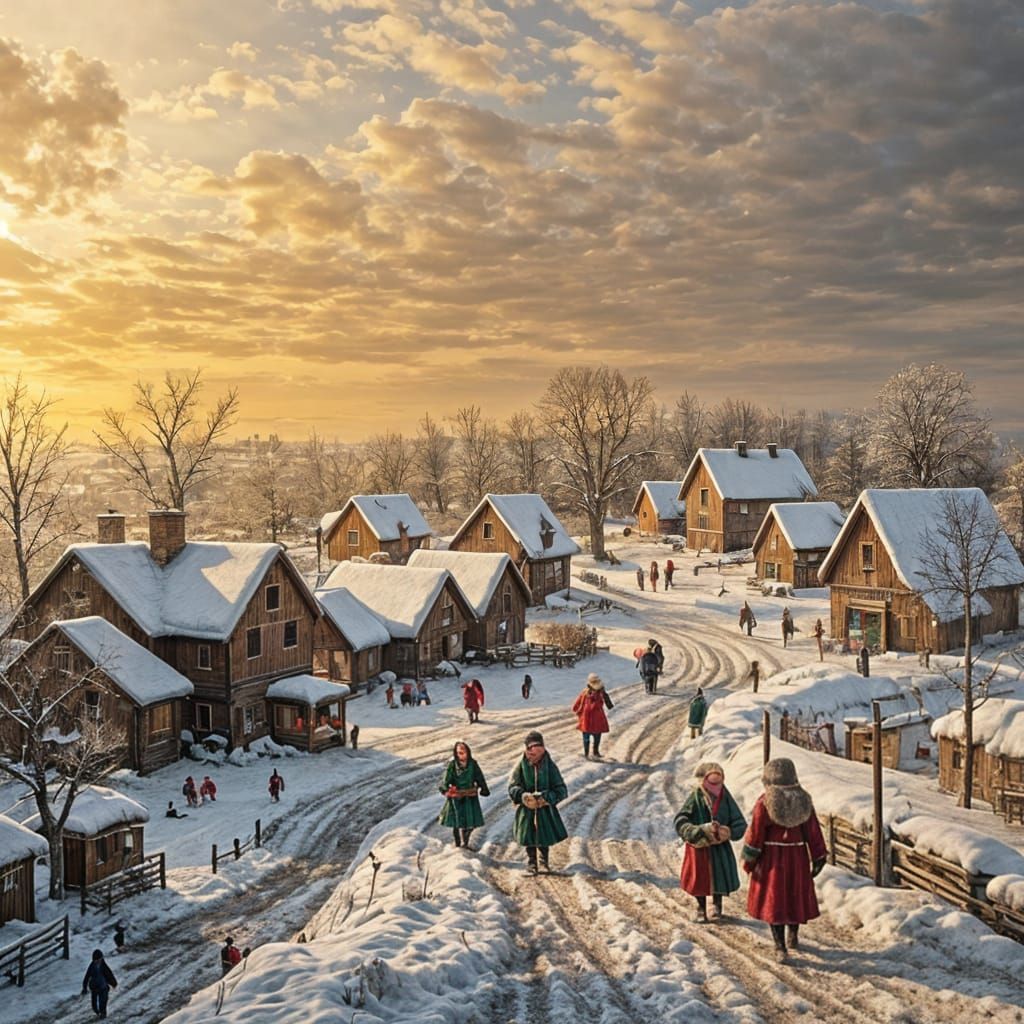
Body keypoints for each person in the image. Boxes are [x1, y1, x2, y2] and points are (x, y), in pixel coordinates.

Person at [742, 758, 827, 962]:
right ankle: (793, 936)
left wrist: (749, 860)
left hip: (772, 860)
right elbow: (813, 830)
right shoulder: (804, 800)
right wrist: (818, 855)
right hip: (797, 857)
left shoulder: (765, 802)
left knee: (776, 901)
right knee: (794, 896)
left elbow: (756, 833)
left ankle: (780, 946)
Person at [674, 762, 747, 923]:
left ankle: (717, 904)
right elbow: (681, 818)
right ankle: (701, 907)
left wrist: (728, 832)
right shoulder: (696, 797)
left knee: (719, 875)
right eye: (711, 782)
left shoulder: (726, 797)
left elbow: (739, 822)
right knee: (699, 877)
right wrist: (694, 830)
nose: (715, 786)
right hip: (700, 846)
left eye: (718, 781)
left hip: (719, 846)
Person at [508, 731, 568, 874]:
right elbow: (512, 787)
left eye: (538, 750)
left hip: (544, 809)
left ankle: (543, 861)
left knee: (544, 835)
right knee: (528, 835)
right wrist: (522, 795)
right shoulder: (521, 766)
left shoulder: (549, 766)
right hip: (527, 808)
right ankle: (532, 862)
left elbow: (561, 789)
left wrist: (547, 797)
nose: (534, 755)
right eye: (531, 751)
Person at [438, 740, 490, 848]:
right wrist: (445, 789)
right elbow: (446, 779)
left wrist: (483, 788)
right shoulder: (452, 765)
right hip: (457, 797)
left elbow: (479, 776)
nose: (461, 755)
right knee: (457, 822)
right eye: (458, 753)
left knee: (470, 823)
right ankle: (459, 844)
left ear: (468, 752)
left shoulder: (473, 764)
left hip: (470, 796)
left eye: (463, 752)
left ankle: (465, 842)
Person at [572, 672, 613, 759]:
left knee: (587, 736)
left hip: (587, 718)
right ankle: (595, 752)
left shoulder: (586, 692)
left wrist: (576, 709)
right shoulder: (600, 693)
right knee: (596, 736)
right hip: (596, 718)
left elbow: (577, 703)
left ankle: (588, 753)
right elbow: (606, 703)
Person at [81, 948, 117, 1018]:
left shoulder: (103, 965)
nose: (98, 961)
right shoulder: (92, 966)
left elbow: (109, 974)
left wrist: (113, 983)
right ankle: (97, 1011)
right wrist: (84, 987)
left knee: (103, 1001)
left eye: (99, 959)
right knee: (94, 1004)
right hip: (94, 987)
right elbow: (87, 977)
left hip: (103, 986)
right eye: (96, 960)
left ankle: (103, 1013)